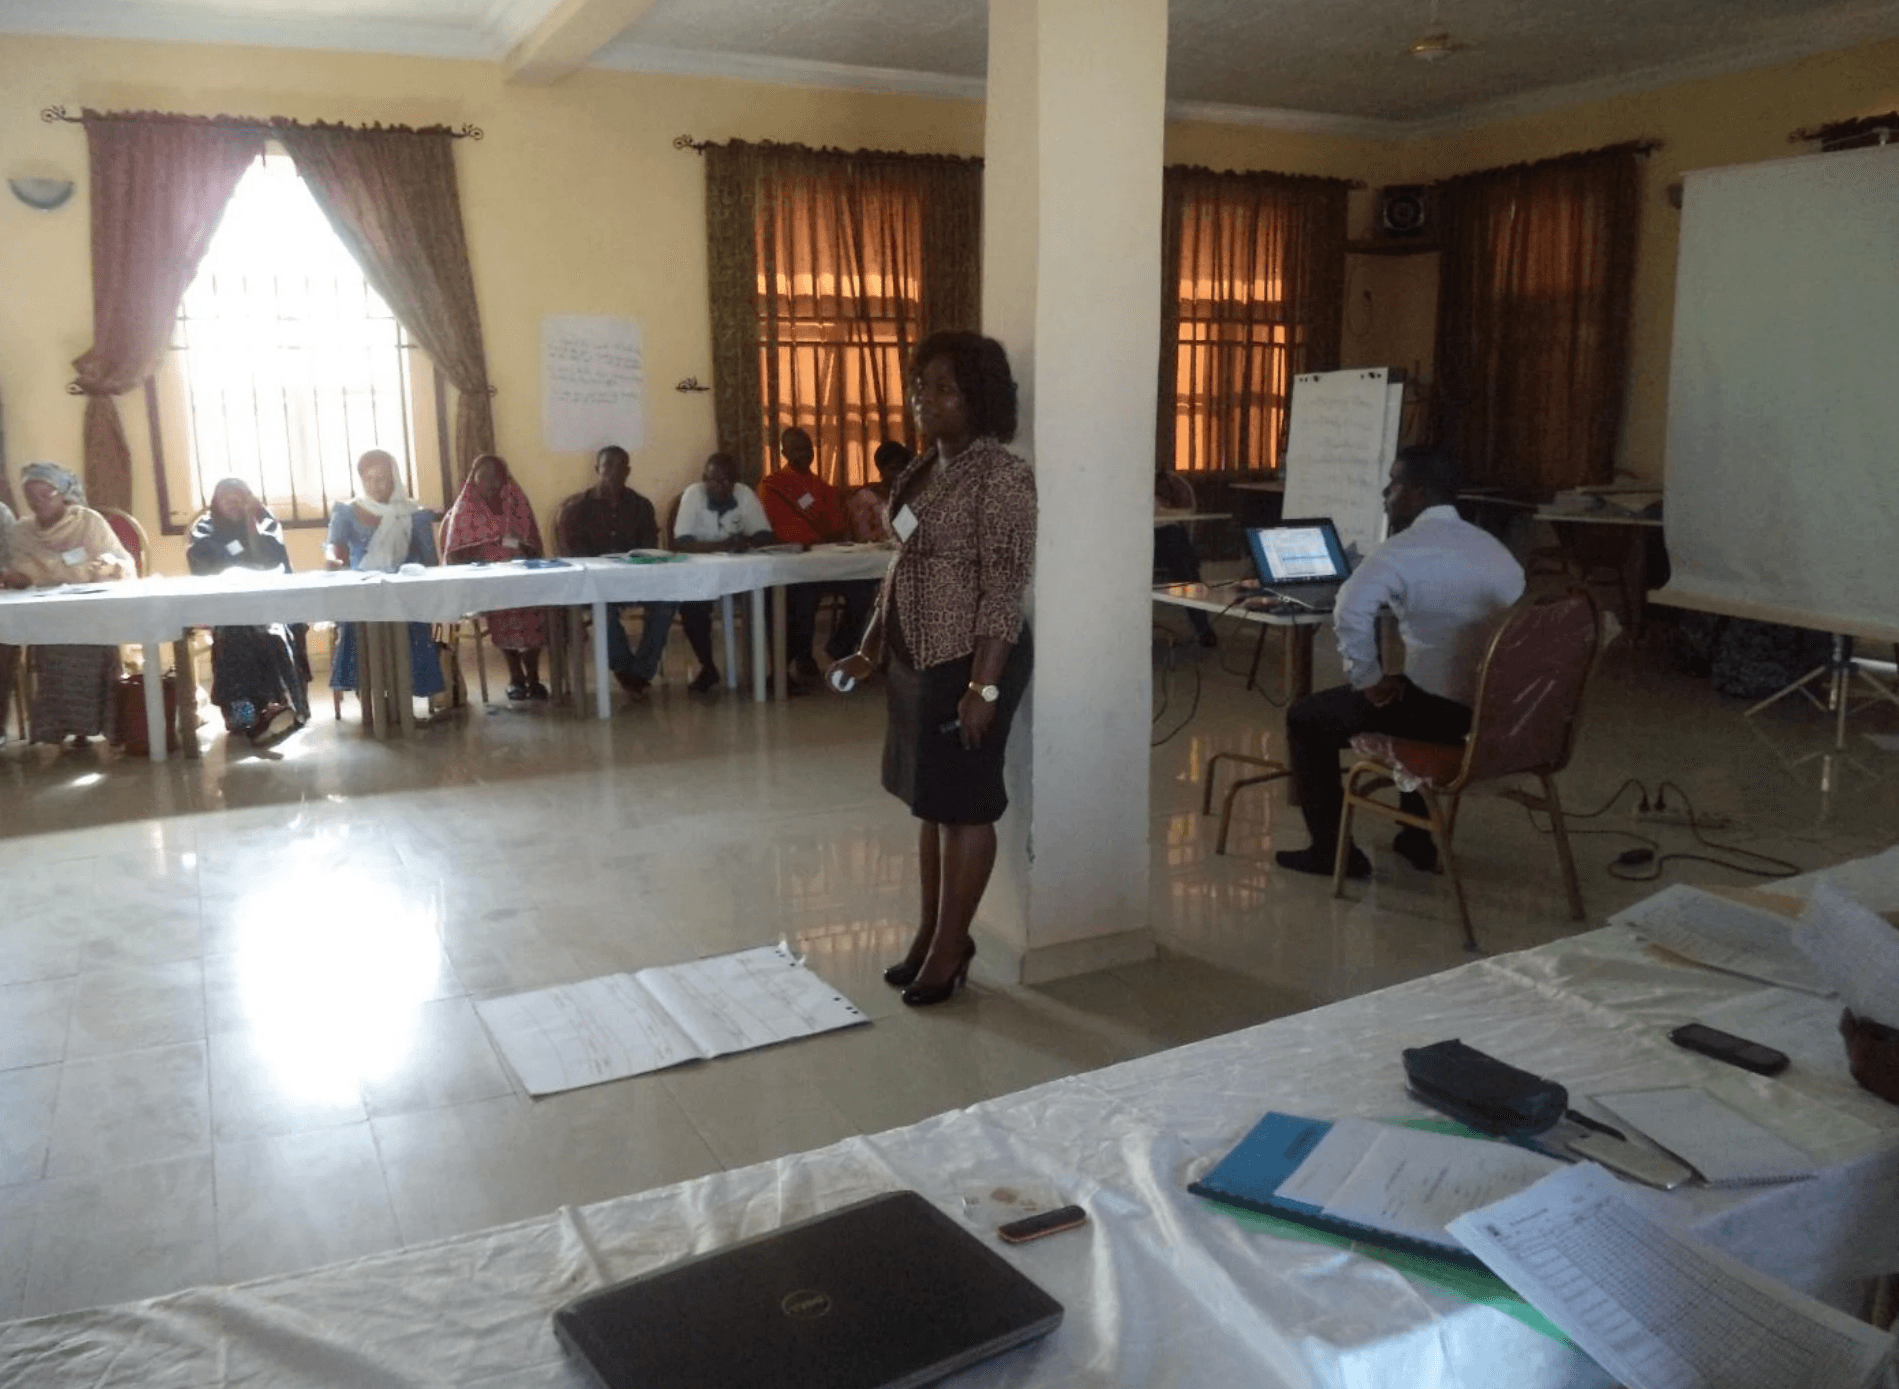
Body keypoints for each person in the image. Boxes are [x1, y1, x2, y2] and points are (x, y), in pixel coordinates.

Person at [829, 332, 1036, 1007]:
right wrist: (870, 643)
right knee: (930, 804)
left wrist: (984, 685)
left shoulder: (1001, 476)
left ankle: (952, 947)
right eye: (921, 385)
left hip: (971, 659)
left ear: (978, 398)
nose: (926, 398)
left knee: (965, 805)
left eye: (943, 387)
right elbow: (902, 566)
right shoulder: (922, 468)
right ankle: (930, 934)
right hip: (914, 658)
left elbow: (1004, 588)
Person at [1274, 445, 1525, 879]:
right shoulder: (1496, 551)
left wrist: (1368, 679)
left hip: (1436, 713)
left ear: (1418, 494)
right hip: (1492, 711)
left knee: (1306, 717)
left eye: (1394, 484)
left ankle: (1332, 854)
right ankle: (1415, 838)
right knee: (1410, 686)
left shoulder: (1400, 550)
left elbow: (1349, 611)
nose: (1386, 494)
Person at [1, 461, 134, 745]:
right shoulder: (23, 531)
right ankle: (57, 728)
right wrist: (38, 573)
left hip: (90, 611)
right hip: (46, 614)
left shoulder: (88, 521)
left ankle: (95, 728)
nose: (37, 503)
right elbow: (21, 570)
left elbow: (120, 562)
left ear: (63, 493)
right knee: (53, 653)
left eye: (45, 495)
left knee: (88, 649)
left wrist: (105, 566)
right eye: (31, 497)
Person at [185, 478, 310, 743]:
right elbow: (204, 564)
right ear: (215, 503)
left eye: (239, 498)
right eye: (226, 498)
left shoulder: (265, 522)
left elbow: (272, 561)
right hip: (226, 608)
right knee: (236, 639)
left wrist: (252, 525)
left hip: (269, 605)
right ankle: (248, 716)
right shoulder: (205, 528)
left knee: (271, 634)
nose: (233, 503)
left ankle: (277, 708)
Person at [326, 449, 446, 710]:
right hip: (362, 588)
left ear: (394, 478)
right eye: (368, 479)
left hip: (403, 590)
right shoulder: (348, 511)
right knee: (358, 623)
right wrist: (332, 560)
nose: (375, 485)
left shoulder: (413, 513)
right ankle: (367, 687)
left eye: (381, 478)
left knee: (412, 623)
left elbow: (429, 559)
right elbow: (333, 547)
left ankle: (405, 687)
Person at [555, 445, 675, 699]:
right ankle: (623, 668)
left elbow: (648, 549)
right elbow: (574, 555)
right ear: (596, 469)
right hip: (595, 584)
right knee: (602, 607)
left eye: (620, 467)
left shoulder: (641, 506)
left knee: (667, 600)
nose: (613, 472)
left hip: (634, 581)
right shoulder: (576, 510)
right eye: (607, 466)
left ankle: (641, 671)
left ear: (628, 471)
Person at [760, 426, 877, 680]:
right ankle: (802, 658)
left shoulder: (822, 487)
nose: (804, 454)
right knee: (803, 597)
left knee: (864, 589)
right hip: (795, 566)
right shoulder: (772, 486)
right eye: (797, 449)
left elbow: (837, 528)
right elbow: (782, 529)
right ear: (784, 452)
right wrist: (815, 536)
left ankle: (840, 646)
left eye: (807, 449)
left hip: (829, 562)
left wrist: (826, 535)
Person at [441, 453, 549, 700]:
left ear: (504, 479)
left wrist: (521, 550)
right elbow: (454, 556)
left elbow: (534, 546)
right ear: (474, 480)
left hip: (520, 574)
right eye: (484, 477)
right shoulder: (464, 509)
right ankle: (515, 676)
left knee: (534, 605)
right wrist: (482, 558)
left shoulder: (517, 503)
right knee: (503, 607)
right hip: (485, 581)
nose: (490, 482)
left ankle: (533, 676)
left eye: (496, 477)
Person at [669, 452, 777, 694]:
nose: (720, 486)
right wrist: (726, 544)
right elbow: (681, 543)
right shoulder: (692, 496)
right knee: (692, 608)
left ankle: (778, 670)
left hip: (741, 575)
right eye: (713, 480)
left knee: (776, 598)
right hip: (700, 576)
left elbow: (765, 536)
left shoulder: (744, 495)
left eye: (727, 480)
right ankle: (707, 667)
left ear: (736, 481)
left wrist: (745, 541)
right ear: (703, 479)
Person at [1153, 468, 1215, 646]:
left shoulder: (1168, 490)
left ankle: (1203, 628)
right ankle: (1203, 628)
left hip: (1170, 537)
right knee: (1183, 558)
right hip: (1144, 540)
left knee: (1185, 567)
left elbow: (1173, 514)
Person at [848, 440, 913, 543]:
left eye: (902, 470)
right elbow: (862, 537)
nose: (898, 475)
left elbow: (911, 534)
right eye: (892, 469)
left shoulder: (908, 497)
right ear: (880, 469)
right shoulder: (865, 498)